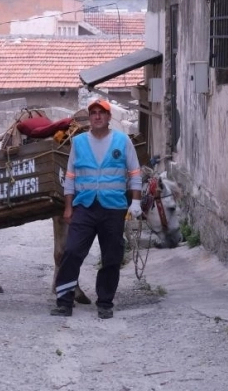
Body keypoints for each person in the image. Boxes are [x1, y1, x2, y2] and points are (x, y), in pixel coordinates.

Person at [50, 98, 143, 319]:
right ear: (89, 118)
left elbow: (135, 173)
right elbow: (70, 177)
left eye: (102, 113)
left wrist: (136, 202)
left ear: (109, 117)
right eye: (93, 113)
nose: (98, 116)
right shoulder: (79, 142)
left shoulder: (122, 141)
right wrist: (68, 207)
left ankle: (105, 302)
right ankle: (64, 301)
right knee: (71, 251)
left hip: (113, 208)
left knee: (111, 256)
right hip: (85, 206)